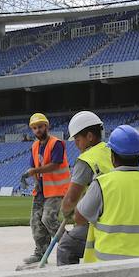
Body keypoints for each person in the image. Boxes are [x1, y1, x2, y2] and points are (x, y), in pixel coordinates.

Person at [75, 125, 139, 262]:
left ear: (112, 155)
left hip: (109, 267)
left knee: (66, 247)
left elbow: (80, 218)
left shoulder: (102, 184)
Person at [57, 111, 113, 265]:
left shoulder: (86, 160)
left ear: (89, 136)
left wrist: (66, 211)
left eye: (77, 138)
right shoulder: (112, 150)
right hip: (117, 213)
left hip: (102, 221)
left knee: (66, 246)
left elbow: (71, 199)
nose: (75, 143)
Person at [22, 113, 71, 265]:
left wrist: (34, 172)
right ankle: (40, 252)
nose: (38, 130)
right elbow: (34, 166)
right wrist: (32, 175)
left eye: (40, 127)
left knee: (48, 218)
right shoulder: (35, 146)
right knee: (35, 221)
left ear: (47, 127)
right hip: (42, 190)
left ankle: (70, 246)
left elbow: (55, 164)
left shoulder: (56, 143)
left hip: (56, 189)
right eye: (35, 128)